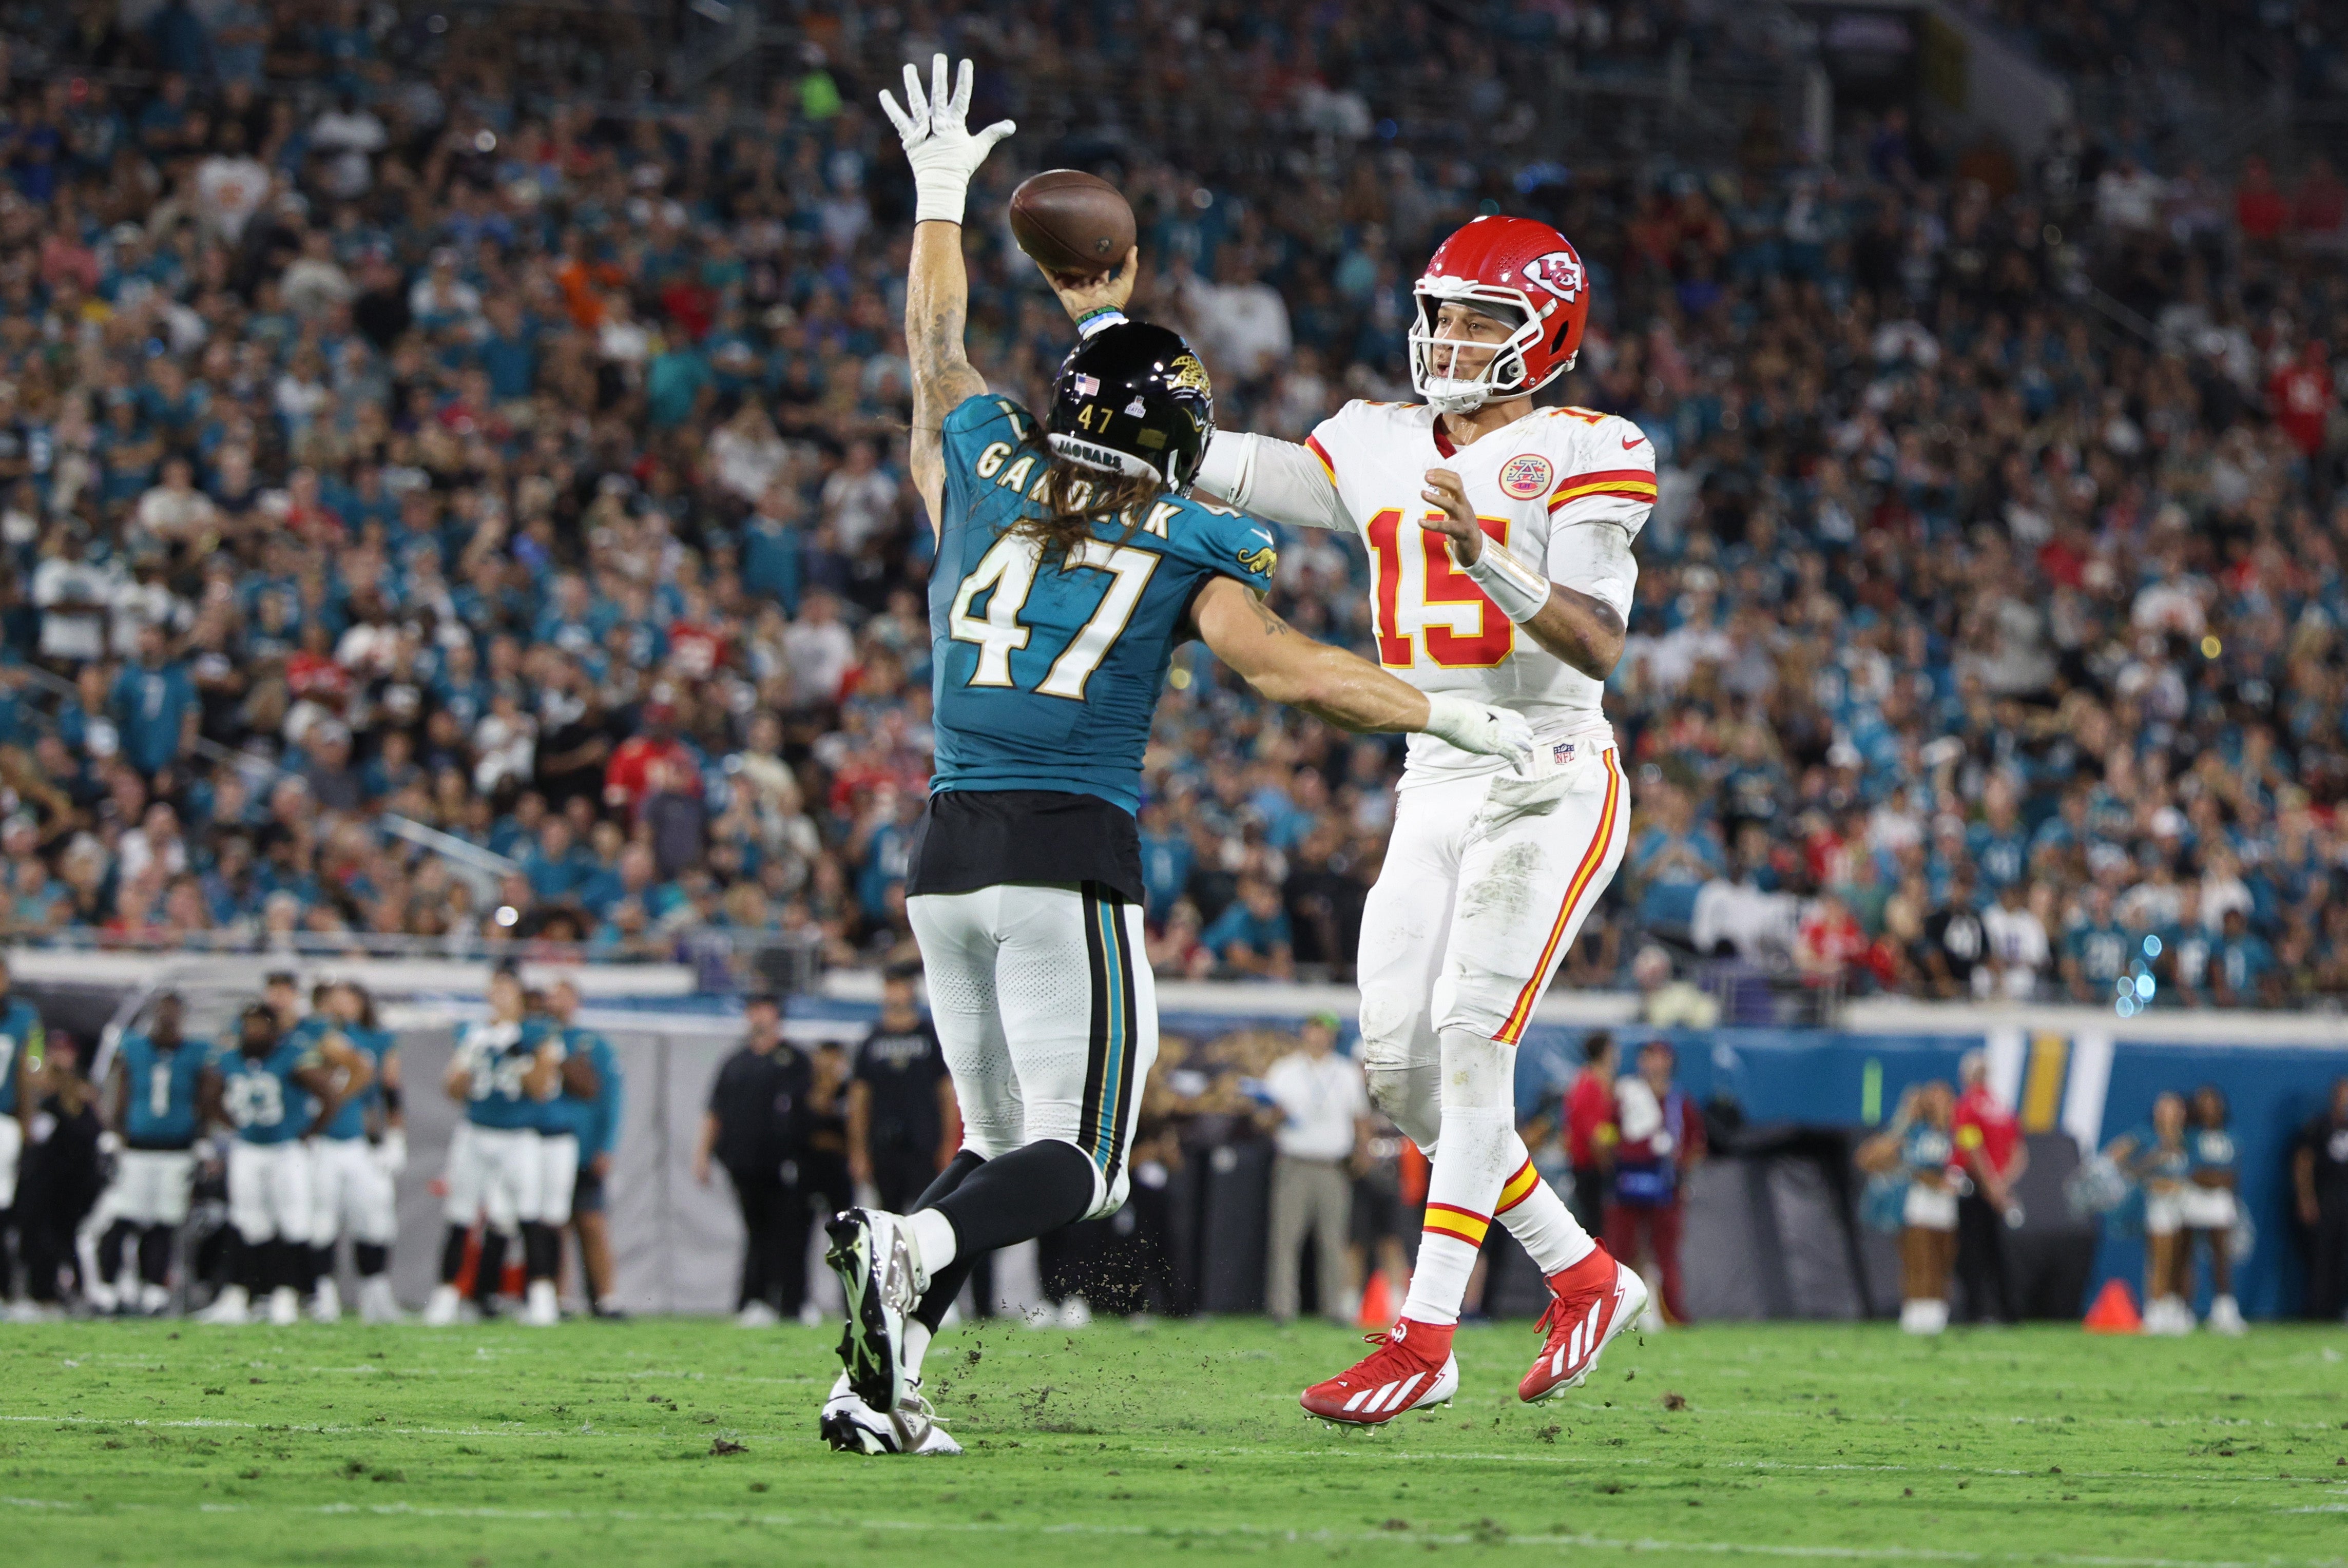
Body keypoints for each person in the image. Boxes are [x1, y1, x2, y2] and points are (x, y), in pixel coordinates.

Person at [821, 55, 1534, 1458]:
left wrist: (941, 198)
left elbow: (939, 358)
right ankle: (906, 1249)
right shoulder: (1190, 532)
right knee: (1076, 1167)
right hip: (1064, 852)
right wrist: (1453, 713)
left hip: (942, 854)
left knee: (993, 1142)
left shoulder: (978, 468)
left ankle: (871, 1381)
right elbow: (1286, 670)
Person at [1104, 205, 1653, 1421]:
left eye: (1481, 318)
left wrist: (1493, 561)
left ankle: (1423, 1332)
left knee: (1469, 1041)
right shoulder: (1379, 438)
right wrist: (1132, 432)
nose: (1452, 336)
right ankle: (1582, 1273)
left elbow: (1599, 644)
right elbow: (1262, 472)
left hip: (1549, 768)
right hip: (1436, 766)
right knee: (1397, 1067)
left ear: (1544, 330)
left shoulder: (1590, 444)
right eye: (1442, 313)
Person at [199, 1002, 367, 1325]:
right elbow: (209, 1098)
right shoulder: (231, 1057)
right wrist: (232, 1125)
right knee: (248, 1222)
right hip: (249, 1149)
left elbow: (330, 1096)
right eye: (249, 1025)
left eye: (260, 1026)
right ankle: (248, 1294)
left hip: (285, 1149)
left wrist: (309, 1133)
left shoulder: (292, 1057)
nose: (254, 1032)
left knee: (293, 1222)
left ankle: (289, 1295)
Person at [422, 970, 563, 1327]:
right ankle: (446, 1297)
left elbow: (541, 1089)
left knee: (530, 1216)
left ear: (518, 992)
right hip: (475, 1132)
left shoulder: (536, 1032)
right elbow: (453, 1091)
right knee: (460, 1215)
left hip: (519, 1135)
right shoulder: (473, 1031)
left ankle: (542, 1298)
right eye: (495, 987)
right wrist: (469, 1060)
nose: (500, 994)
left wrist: (520, 1055)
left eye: (507, 987)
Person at [696, 994, 813, 1328]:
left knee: (789, 1233)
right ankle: (755, 1299)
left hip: (786, 1162)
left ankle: (792, 1301)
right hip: (744, 1161)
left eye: (765, 1008)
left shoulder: (794, 1059)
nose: (759, 1016)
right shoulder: (736, 1061)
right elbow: (714, 1111)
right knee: (756, 1232)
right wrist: (702, 1154)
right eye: (754, 1008)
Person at [91, 992, 208, 1314]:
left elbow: (206, 1096)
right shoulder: (133, 1048)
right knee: (123, 1218)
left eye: (173, 1011)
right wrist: (112, 1134)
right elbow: (116, 1091)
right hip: (136, 1150)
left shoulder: (197, 1052)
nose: (167, 1018)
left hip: (176, 1150)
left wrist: (203, 1139)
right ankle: (108, 1288)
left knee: (163, 1222)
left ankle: (153, 1289)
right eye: (163, 1011)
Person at [297, 982, 401, 1322]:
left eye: (349, 998)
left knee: (374, 1221)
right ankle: (323, 1294)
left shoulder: (376, 1037)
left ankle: (375, 1295)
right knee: (321, 1221)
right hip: (321, 1138)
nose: (342, 1005)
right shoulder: (310, 1032)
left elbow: (389, 1090)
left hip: (359, 1139)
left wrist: (394, 1135)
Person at [1261, 1013, 1371, 1324]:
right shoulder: (1285, 1071)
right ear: (1306, 1032)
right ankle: (1282, 1308)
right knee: (1286, 1239)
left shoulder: (1345, 1073)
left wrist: (1363, 1152)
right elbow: (1265, 1120)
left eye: (1326, 1031)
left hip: (1332, 1165)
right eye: (1315, 1029)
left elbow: (1360, 1117)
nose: (1320, 1036)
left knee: (1334, 1240)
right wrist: (1275, 1115)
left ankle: (1334, 1308)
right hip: (1294, 1162)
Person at [1604, 1041, 1704, 1328]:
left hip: (1664, 1185)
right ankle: (1614, 1314)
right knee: (1620, 1251)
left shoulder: (1678, 1101)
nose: (1654, 1065)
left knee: (1666, 1253)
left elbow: (1696, 1142)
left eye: (1659, 1059)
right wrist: (1612, 1160)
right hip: (1628, 1181)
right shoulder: (1627, 1095)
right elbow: (1610, 1132)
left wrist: (1682, 1172)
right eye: (1649, 1058)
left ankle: (1671, 1312)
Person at [847, 971, 956, 1215]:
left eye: (900, 986)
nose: (894, 994)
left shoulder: (930, 1037)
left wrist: (949, 1145)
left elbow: (947, 1096)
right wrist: (858, 1150)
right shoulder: (872, 1040)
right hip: (884, 1146)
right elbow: (859, 1099)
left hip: (925, 1145)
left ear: (911, 990)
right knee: (887, 1217)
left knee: (927, 1215)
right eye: (890, 986)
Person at [521, 985, 600, 1323]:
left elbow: (591, 1090)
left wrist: (557, 1055)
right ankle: (489, 1296)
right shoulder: (513, 1040)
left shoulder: (576, 1043)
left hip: (559, 1140)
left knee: (558, 1220)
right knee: (512, 1216)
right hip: (519, 1138)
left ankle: (555, 1296)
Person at [548, 981, 624, 1319]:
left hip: (583, 1147)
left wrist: (606, 1145)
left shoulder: (594, 1044)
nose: (556, 1001)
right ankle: (556, 1299)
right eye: (553, 994)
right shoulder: (539, 1038)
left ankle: (606, 1298)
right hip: (547, 1146)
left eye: (563, 994)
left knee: (592, 1224)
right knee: (553, 1226)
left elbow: (612, 1097)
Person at [1861, 1081, 1959, 1334]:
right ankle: (1916, 1314)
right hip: (1921, 1208)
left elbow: (1962, 1162)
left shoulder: (1956, 1133)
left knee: (1943, 1263)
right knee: (1919, 1262)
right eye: (1935, 1100)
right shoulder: (1916, 1131)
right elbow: (1878, 1159)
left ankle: (1937, 1314)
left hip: (1947, 1209)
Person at [2106, 1094, 2194, 1335]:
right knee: (2160, 1259)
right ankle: (2155, 1309)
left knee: (2182, 1259)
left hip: (2183, 1202)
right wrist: (2148, 1168)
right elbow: (2114, 1155)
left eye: (2174, 1108)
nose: (2168, 1113)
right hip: (2158, 1202)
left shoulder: (2188, 1138)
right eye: (2164, 1108)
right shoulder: (2146, 1135)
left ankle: (2176, 1308)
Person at [1951, 1050, 2026, 1324]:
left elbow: (1971, 1145)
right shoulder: (2003, 1107)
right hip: (1998, 1189)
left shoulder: (1968, 1105)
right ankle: (2007, 1312)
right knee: (1998, 1252)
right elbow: (2020, 1152)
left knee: (1972, 1254)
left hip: (1975, 1188)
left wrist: (1991, 1185)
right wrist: (2002, 1185)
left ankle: (1976, 1312)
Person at [2181, 1085, 2244, 1335]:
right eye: (2203, 1104)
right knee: (2185, 1256)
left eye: (2213, 1104)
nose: (2209, 1110)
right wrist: (2210, 1178)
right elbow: (2191, 1172)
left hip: (2221, 1203)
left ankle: (2224, 1310)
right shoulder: (2189, 1137)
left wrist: (2211, 1178)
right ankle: (2183, 1309)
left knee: (2221, 1257)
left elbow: (2232, 1175)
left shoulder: (2230, 1138)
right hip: (2191, 1199)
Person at [0, 958, 42, 1311]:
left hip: (3, 1121)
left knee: (4, 1209)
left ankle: (8, 1289)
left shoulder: (24, 1017)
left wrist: (28, 1122)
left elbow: (32, 1071)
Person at [2294, 1078, 2348, 1320]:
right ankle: (2319, 1311)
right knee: (2322, 1257)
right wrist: (2306, 1198)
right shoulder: (2319, 1127)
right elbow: (2303, 1163)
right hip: (2327, 1199)